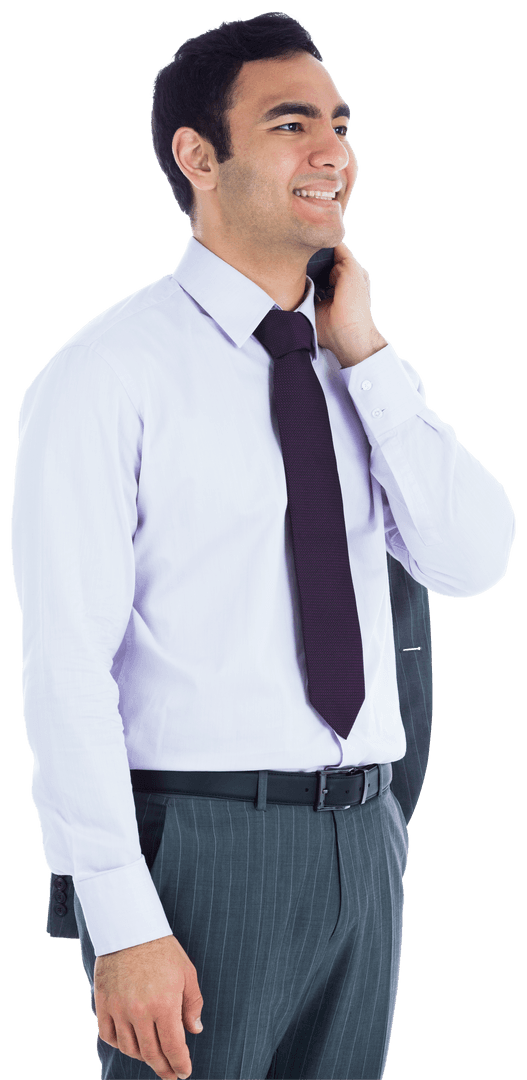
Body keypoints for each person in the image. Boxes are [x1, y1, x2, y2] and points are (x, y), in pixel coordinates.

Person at [10, 11, 516, 1080]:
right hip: (200, 845)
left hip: (365, 838)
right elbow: (66, 665)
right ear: (199, 157)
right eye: (291, 124)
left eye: (339, 122)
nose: (333, 151)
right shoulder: (108, 376)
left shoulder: (352, 369)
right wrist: (120, 915)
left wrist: (367, 355)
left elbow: (471, 558)